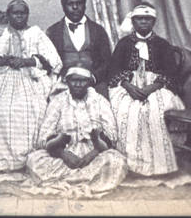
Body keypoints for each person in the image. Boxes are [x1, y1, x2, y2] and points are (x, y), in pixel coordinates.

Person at [0, 0, 62, 179]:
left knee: (28, 107)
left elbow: (54, 61)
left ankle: (23, 162)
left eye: (22, 13)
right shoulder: (1, 33)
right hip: (1, 77)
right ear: (8, 15)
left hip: (29, 77)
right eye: (15, 13)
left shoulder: (36, 33)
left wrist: (27, 61)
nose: (19, 16)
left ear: (27, 14)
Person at [25, 66, 128, 197]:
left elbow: (111, 133)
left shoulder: (100, 101)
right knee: (34, 161)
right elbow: (44, 134)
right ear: (66, 82)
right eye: (73, 80)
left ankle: (70, 180)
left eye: (82, 80)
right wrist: (63, 154)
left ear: (89, 82)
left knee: (116, 162)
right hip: (63, 152)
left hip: (94, 151)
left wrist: (92, 154)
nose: (78, 84)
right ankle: (88, 180)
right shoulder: (58, 101)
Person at [108, 2, 185, 176]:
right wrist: (128, 86)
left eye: (147, 19)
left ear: (154, 22)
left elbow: (171, 73)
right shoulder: (124, 44)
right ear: (133, 21)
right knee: (124, 111)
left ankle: (158, 165)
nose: (143, 22)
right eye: (139, 19)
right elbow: (114, 70)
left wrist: (152, 87)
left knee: (154, 111)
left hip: (157, 86)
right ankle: (129, 165)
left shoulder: (163, 45)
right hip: (127, 85)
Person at [46, 0, 112, 98]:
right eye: (70, 4)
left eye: (79, 3)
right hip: (64, 83)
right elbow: (48, 64)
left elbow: (107, 61)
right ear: (63, 7)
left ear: (85, 5)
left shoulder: (98, 30)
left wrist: (94, 78)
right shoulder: (53, 32)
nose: (75, 7)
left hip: (94, 83)